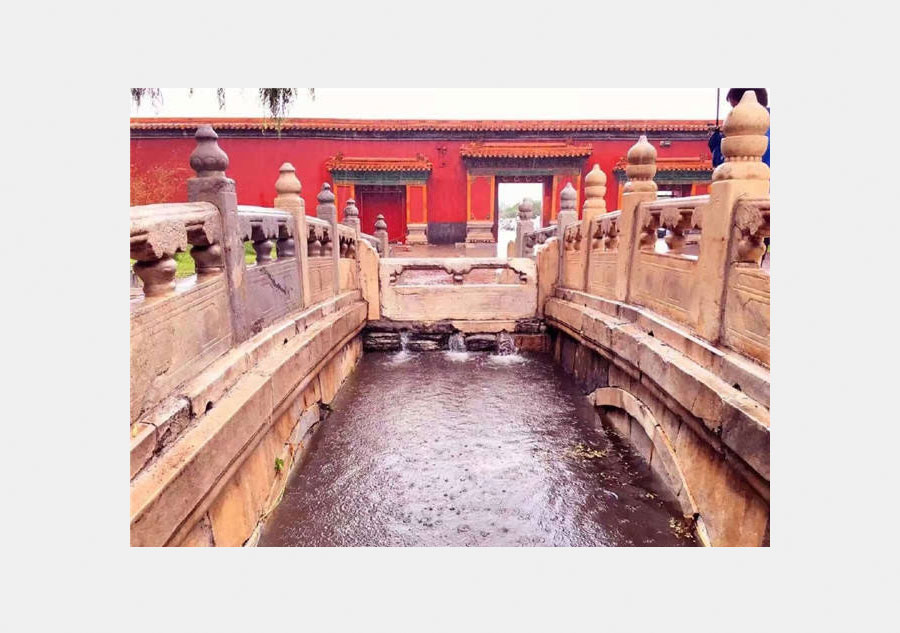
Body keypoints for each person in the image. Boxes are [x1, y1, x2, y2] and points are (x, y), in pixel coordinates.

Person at [709, 88, 770, 168]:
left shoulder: (750, 129)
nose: (734, 113)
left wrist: (719, 148)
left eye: (735, 108)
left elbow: (729, 168)